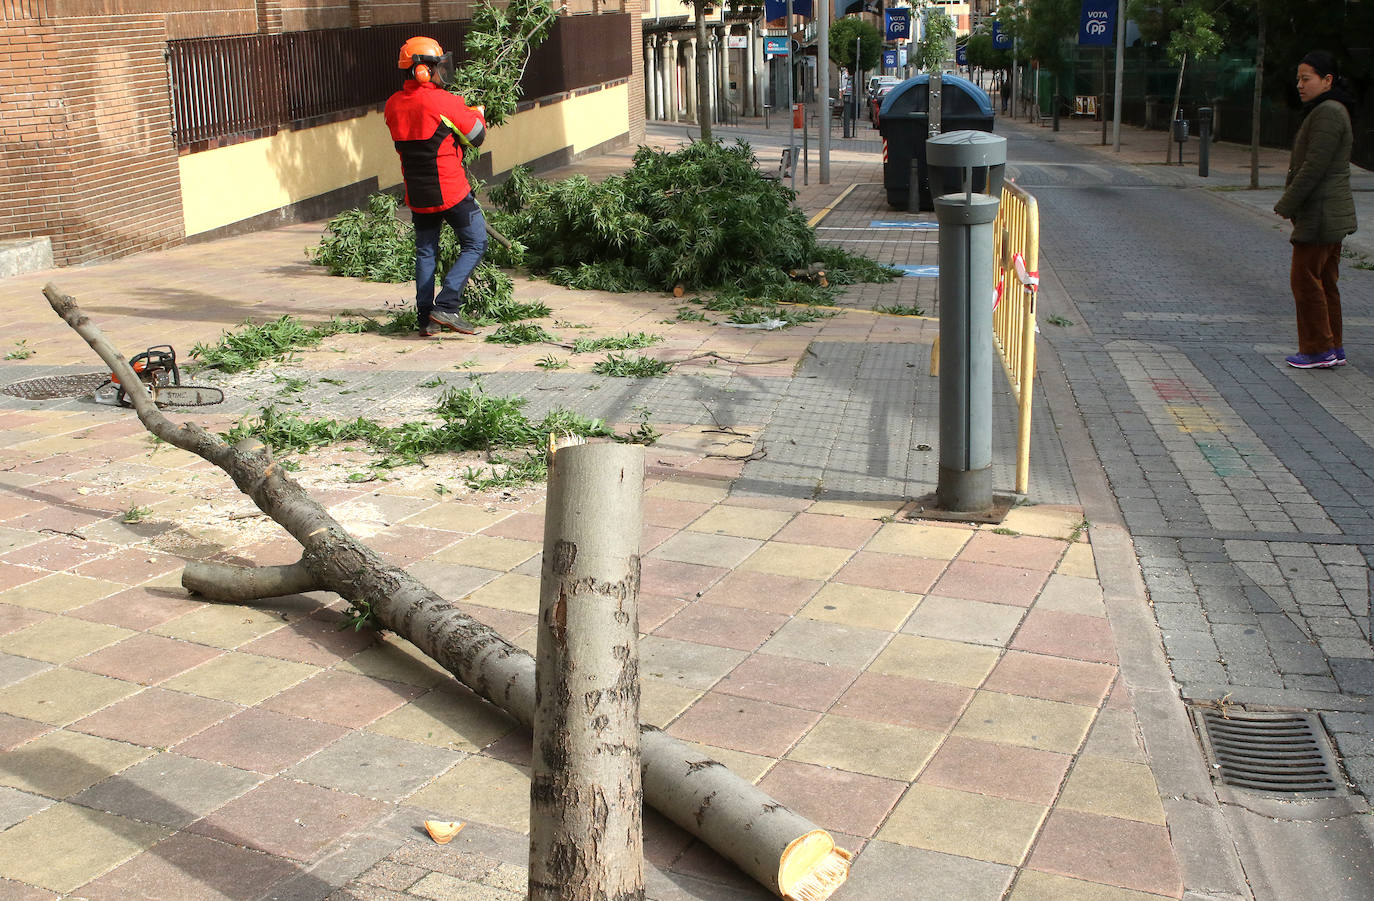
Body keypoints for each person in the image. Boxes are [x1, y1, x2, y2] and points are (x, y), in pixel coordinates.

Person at [384, 36, 489, 337]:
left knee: (426, 251)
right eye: (436, 65)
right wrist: (476, 113)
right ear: (421, 71)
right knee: (475, 242)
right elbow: (476, 136)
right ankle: (448, 304)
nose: (442, 70)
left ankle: (426, 318)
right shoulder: (444, 101)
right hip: (451, 191)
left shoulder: (392, 106)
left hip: (417, 193)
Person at [1273, 50, 1358, 369]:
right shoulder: (1331, 110)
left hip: (1321, 212)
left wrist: (1287, 203)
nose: (1300, 84)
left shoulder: (1328, 113)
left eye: (1306, 78)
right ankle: (1332, 346)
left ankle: (1317, 349)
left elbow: (1314, 167)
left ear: (1327, 80)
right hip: (1327, 211)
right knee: (1324, 280)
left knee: (1305, 280)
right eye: (1298, 78)